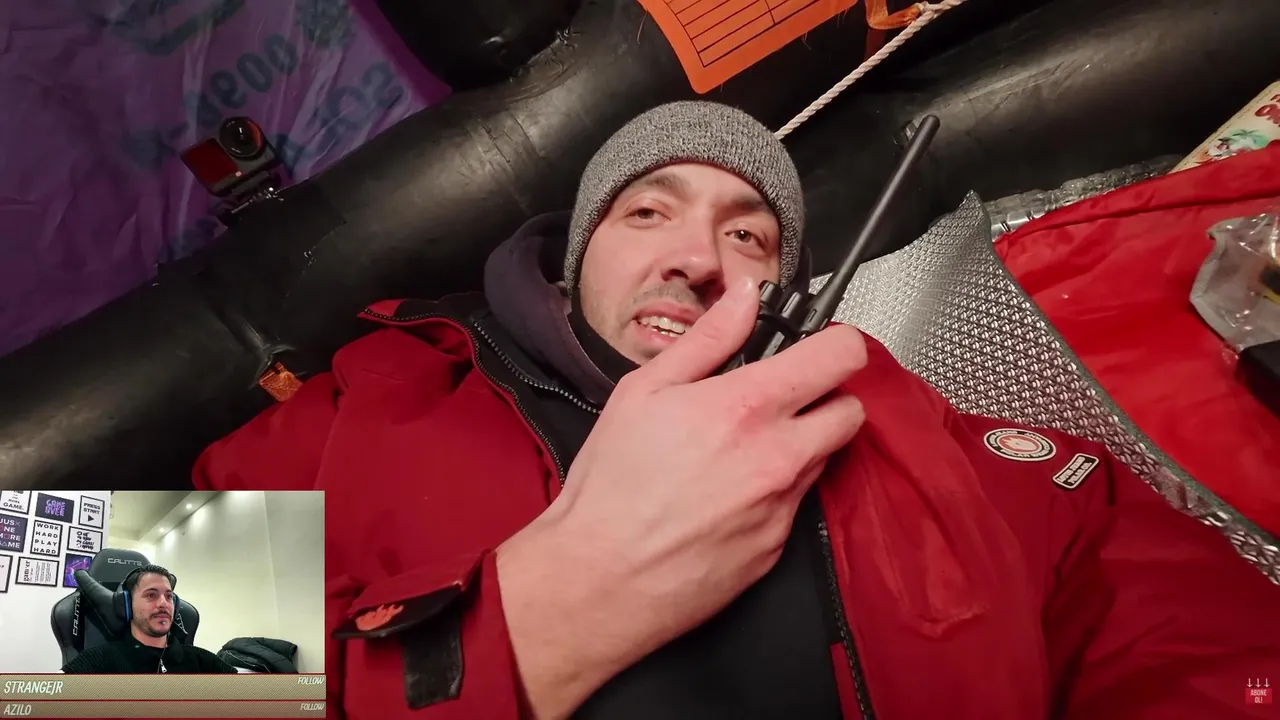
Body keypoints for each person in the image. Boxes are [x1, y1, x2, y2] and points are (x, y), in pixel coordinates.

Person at [193, 101, 1280, 719]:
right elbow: (111, 653)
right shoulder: (367, 404)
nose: (696, 259)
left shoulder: (910, 432)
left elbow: (1192, 640)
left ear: (786, 295)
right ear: (573, 261)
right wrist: (524, 626)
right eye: (646, 213)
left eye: (748, 234)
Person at [61, 564, 237, 674]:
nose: (163, 604)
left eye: (169, 596)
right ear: (127, 605)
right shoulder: (99, 660)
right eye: (151, 595)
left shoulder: (201, 661)